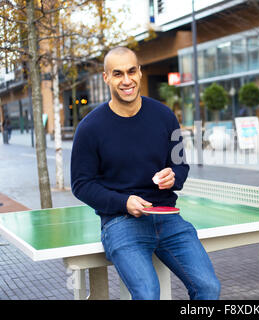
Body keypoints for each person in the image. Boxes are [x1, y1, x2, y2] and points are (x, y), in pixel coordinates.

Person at [70, 47, 220, 300]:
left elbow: (180, 166)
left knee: (208, 288)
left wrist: (174, 177)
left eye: (131, 71)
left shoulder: (164, 116)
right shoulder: (89, 128)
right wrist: (123, 202)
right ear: (106, 78)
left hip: (169, 219)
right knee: (148, 294)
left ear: (140, 72)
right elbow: (81, 184)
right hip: (120, 222)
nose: (126, 80)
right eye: (118, 74)